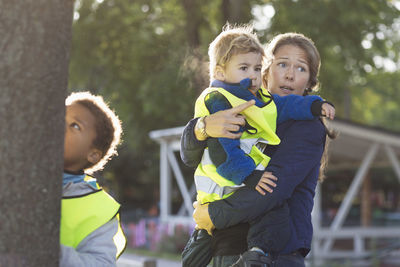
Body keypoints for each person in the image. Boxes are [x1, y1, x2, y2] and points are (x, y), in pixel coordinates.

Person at [183, 26, 335, 266]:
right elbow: (190, 158)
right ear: (266, 70)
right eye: (282, 64)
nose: (290, 75)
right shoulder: (240, 105)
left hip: (276, 256)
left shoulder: (307, 128)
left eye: (301, 68)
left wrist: (212, 214)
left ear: (309, 82)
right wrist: (203, 128)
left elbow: (272, 189)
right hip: (225, 248)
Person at [60, 92, 126, 266]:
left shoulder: (99, 210)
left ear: (93, 154)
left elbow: (101, 263)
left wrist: (49, 249)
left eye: (75, 126)